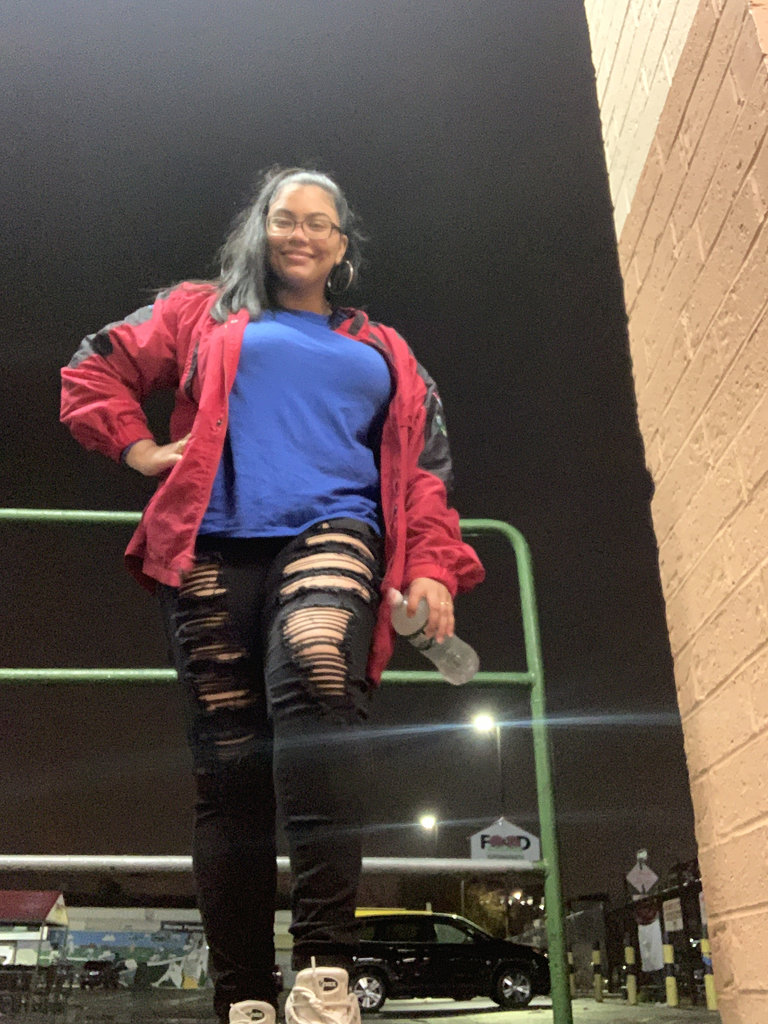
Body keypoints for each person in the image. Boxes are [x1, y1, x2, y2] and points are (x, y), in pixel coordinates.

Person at [60, 166, 485, 1024]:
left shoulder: (387, 351)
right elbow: (91, 368)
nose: (301, 234)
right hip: (212, 543)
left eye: (319, 222)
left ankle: (324, 971)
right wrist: (140, 450)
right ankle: (244, 996)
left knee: (319, 680)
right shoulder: (201, 312)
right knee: (230, 769)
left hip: (335, 527)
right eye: (285, 219)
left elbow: (426, 470)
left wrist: (434, 566)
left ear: (342, 245)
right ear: (260, 231)